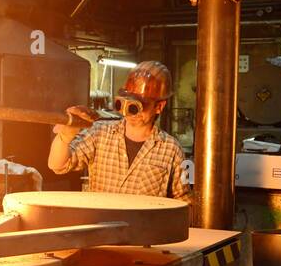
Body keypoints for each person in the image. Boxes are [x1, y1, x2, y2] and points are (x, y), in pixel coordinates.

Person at [47, 60, 190, 202]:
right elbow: (57, 165)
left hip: (145, 225)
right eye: (129, 103)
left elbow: (183, 200)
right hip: (102, 223)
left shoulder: (172, 150)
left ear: (159, 107)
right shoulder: (99, 133)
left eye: (139, 106)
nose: (132, 113)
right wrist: (64, 137)